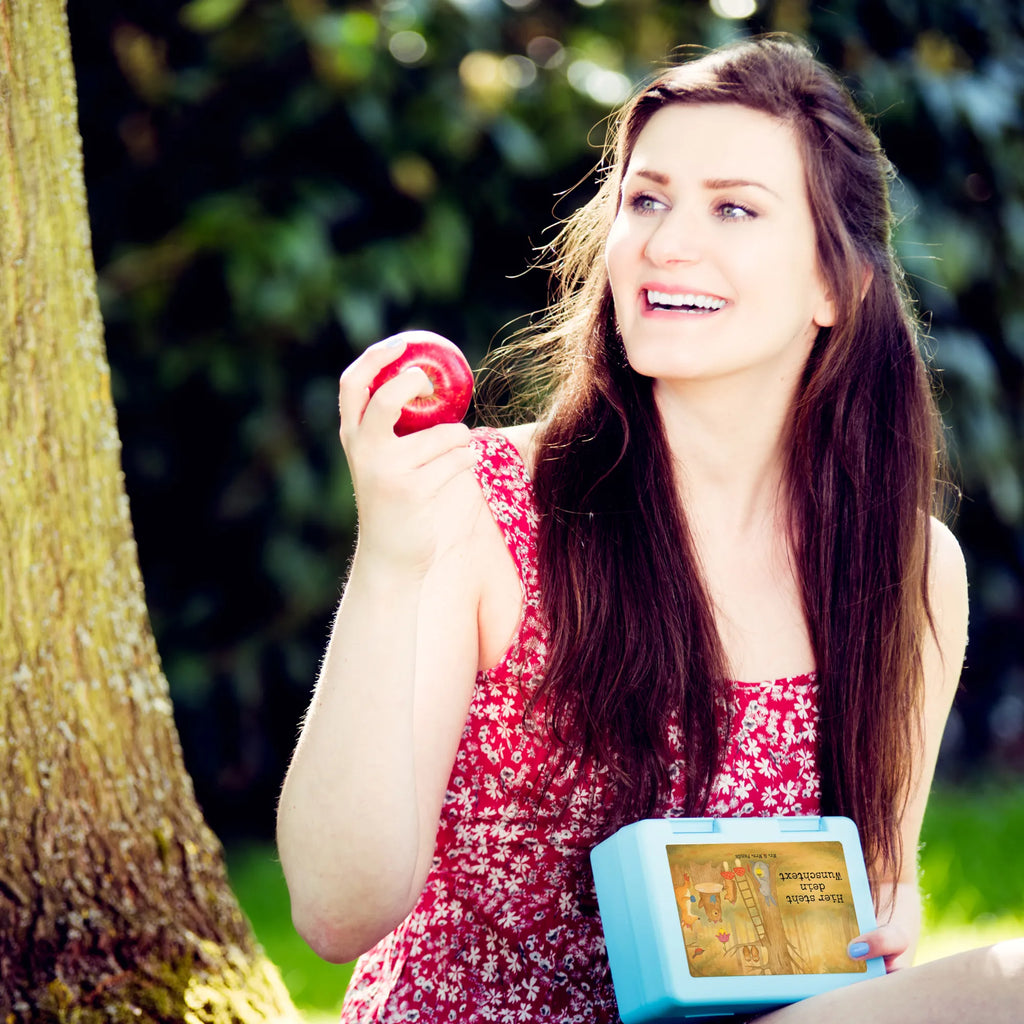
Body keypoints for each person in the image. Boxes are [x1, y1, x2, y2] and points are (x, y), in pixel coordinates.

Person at [276, 34, 1023, 1023]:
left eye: (732, 207)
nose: (667, 241)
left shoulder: (909, 570)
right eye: (645, 198)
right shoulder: (483, 508)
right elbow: (335, 912)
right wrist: (393, 556)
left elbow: (876, 898)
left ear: (833, 287)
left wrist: (886, 908)